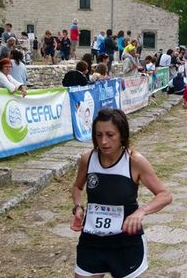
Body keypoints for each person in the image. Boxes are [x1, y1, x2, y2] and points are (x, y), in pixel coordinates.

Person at [70, 108, 172, 278]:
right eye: (98, 135)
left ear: (122, 135)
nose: (103, 141)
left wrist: (141, 212)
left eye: (110, 135)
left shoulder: (134, 161)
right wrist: (78, 207)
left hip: (126, 242)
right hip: (92, 240)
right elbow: (77, 187)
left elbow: (165, 195)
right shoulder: (88, 159)